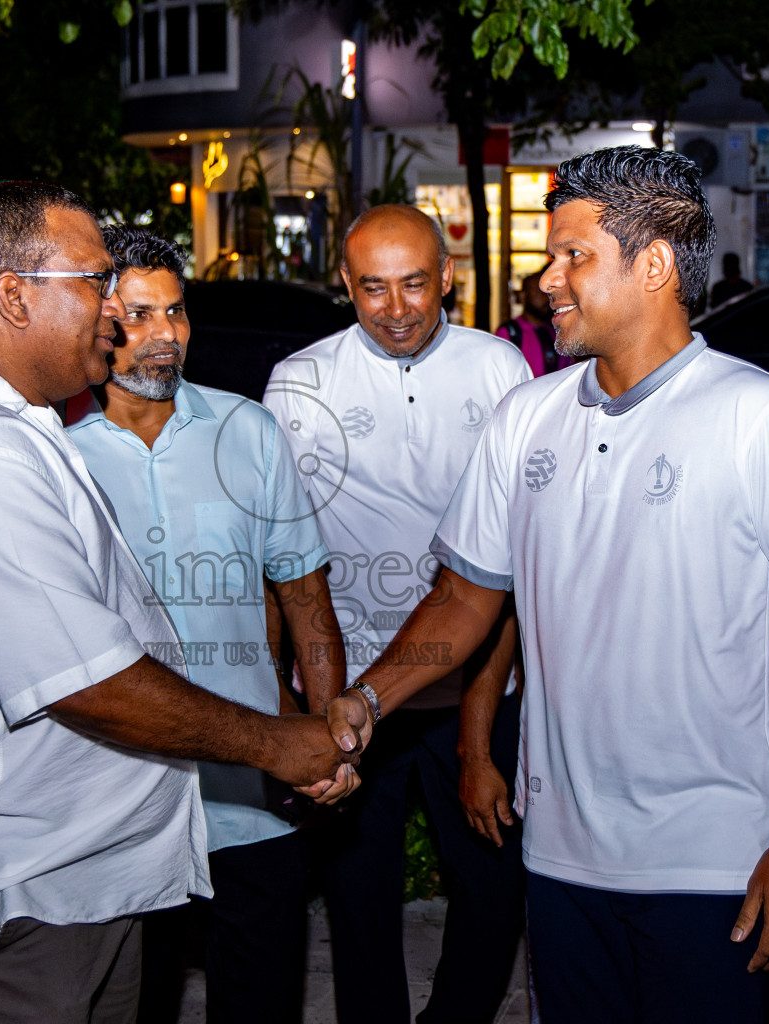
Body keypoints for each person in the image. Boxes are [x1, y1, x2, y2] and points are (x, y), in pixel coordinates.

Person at [325, 147, 769, 1024]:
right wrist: (368, 701)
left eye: (574, 254)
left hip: (715, 860)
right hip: (563, 855)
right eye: (553, 256)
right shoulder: (527, 416)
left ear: (653, 265)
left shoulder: (758, 415)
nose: (549, 280)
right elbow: (466, 601)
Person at [0, 182, 362, 1024]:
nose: (120, 319)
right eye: (96, 286)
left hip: (68, 885)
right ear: (14, 295)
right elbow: (85, 680)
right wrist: (278, 744)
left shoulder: (10, 424)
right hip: (10, 909)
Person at [68, 225, 345, 1024]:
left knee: (259, 1006)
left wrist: (330, 735)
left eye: (177, 313)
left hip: (252, 790)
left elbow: (304, 597)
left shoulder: (247, 431)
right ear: (95, 320)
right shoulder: (55, 451)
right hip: (117, 800)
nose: (166, 336)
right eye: (141, 315)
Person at [263, 204, 531, 1024]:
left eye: (415, 282)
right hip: (348, 701)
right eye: (373, 288)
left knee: (494, 893)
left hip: (475, 693)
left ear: (447, 275)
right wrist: (292, 702)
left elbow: (514, 568)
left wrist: (480, 733)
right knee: (358, 905)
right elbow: (277, 559)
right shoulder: (297, 382)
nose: (397, 307)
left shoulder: (502, 373)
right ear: (344, 285)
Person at [495, 267, 571, 376]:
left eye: (548, 293)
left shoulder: (555, 329)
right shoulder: (510, 332)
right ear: (523, 297)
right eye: (539, 292)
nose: (546, 298)